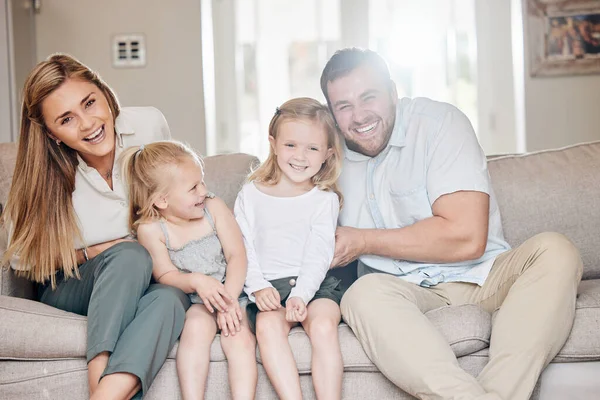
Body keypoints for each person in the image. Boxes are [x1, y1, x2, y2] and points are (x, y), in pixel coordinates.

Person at [320, 48, 583, 400]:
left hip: (485, 275)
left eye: (370, 97)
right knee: (361, 295)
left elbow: (466, 238)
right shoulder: (323, 153)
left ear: (393, 93)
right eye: (344, 106)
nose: (359, 115)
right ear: (332, 115)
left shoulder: (439, 123)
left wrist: (362, 240)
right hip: (403, 292)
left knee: (557, 250)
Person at [1, 54, 190, 400]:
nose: (88, 124)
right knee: (130, 256)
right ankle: (97, 375)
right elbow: (21, 261)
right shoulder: (42, 171)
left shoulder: (148, 125)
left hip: (152, 281)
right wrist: (102, 249)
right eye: (67, 119)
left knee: (172, 298)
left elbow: (179, 182)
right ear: (53, 134)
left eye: (90, 103)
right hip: (77, 284)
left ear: (104, 91)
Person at [121, 140, 257, 400]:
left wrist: (227, 301)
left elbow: (237, 254)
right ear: (162, 200)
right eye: (194, 187)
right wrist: (196, 281)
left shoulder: (213, 207)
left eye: (202, 181)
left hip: (234, 292)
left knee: (239, 339)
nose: (203, 191)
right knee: (194, 331)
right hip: (197, 300)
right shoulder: (151, 230)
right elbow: (164, 275)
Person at [234, 97, 345, 400]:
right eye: (291, 145)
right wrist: (257, 287)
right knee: (268, 329)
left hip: (316, 285)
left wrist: (301, 295)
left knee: (322, 326)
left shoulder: (325, 199)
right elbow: (242, 248)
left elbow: (319, 253)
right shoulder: (251, 194)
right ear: (273, 143)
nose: (300, 156)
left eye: (312, 148)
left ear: (327, 154)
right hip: (267, 287)